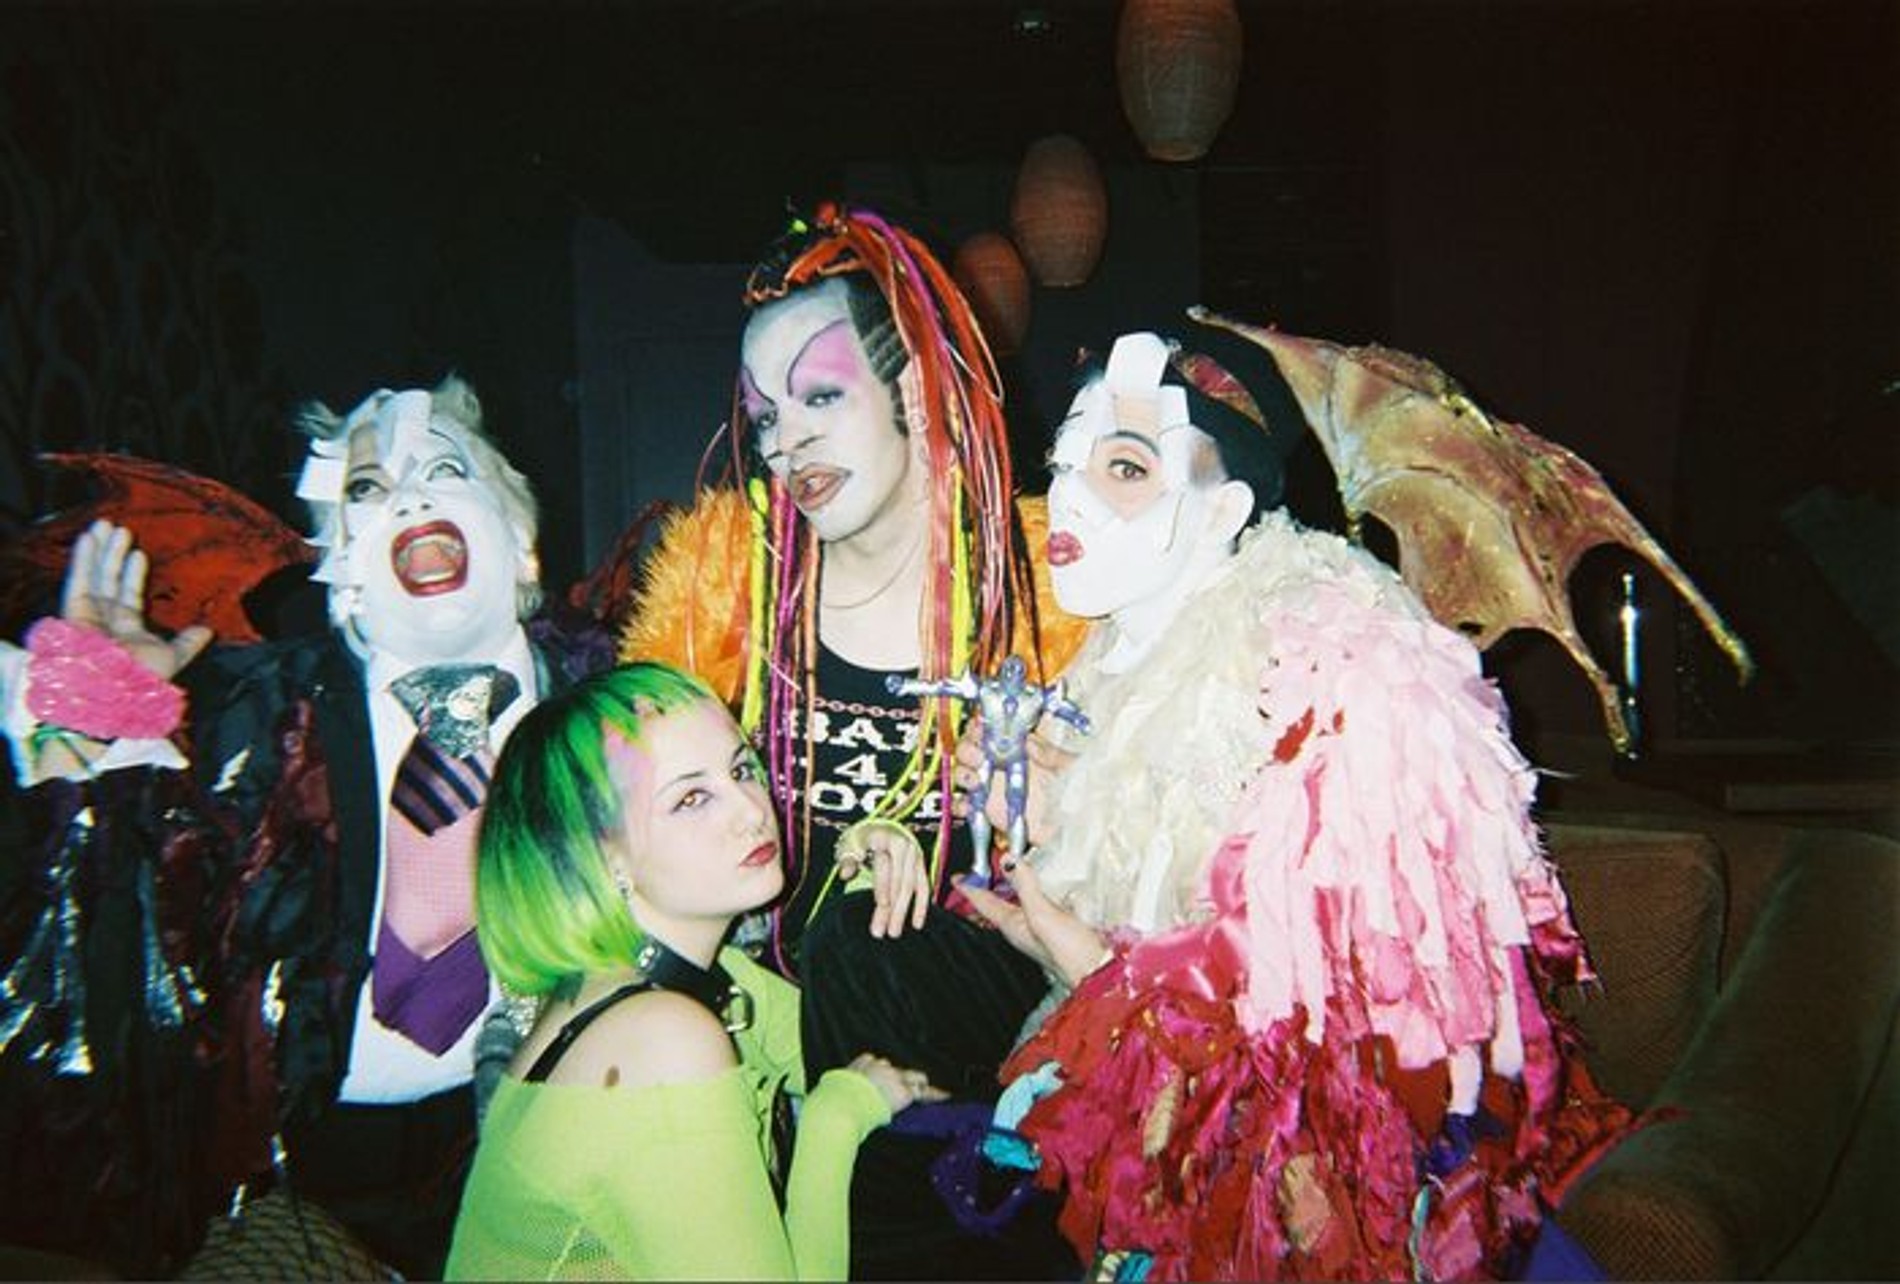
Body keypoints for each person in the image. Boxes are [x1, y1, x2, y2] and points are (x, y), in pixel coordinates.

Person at [951, 319, 1634, 1280]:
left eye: (1125, 468)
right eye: (1064, 463)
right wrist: (1050, 816)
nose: (1067, 494)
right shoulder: (1109, 654)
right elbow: (1151, 871)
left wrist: (1103, 975)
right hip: (1140, 1107)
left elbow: (1347, 1029)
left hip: (1306, 1161)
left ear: (1224, 507)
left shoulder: (1332, 652)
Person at [0, 376, 601, 1279]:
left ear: (521, 543)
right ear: (338, 572)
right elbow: (100, 944)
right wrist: (86, 740)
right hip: (300, 1180)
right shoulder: (250, 716)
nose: (412, 498)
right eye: (366, 490)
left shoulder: (612, 713)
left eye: (444, 470)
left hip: (545, 1156)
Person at [617, 202, 1089, 1277]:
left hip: (1007, 1114)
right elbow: (635, 836)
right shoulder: (725, 598)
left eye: (821, 396)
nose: (787, 443)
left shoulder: (1051, 598)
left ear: (916, 391)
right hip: (798, 1096)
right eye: (765, 416)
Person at [444, 660, 941, 1280]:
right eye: (691, 798)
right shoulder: (659, 1036)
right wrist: (836, 1117)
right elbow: (851, 1082)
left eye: (741, 770)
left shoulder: (696, 983)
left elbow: (863, 1049)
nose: (751, 811)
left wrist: (867, 867)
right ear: (603, 859)